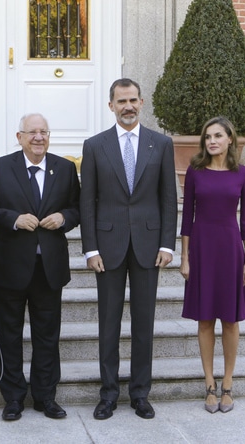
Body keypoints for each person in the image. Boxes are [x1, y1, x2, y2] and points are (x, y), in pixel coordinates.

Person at [79, 78, 178, 420]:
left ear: (142, 101)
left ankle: (140, 394)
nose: (128, 106)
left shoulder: (160, 144)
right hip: (107, 248)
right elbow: (87, 201)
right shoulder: (94, 146)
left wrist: (168, 243)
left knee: (143, 324)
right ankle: (108, 394)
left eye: (133, 99)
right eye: (121, 101)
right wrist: (90, 248)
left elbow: (168, 198)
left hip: (149, 247)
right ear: (111, 106)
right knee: (108, 324)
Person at [0, 113, 81, 422]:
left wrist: (64, 218)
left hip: (48, 268)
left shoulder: (64, 168)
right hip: (10, 266)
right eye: (32, 132)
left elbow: (78, 208)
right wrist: (13, 219)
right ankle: (12, 397)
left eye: (44, 132)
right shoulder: (1, 167)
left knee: (47, 336)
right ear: (19, 136)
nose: (39, 137)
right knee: (9, 335)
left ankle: (45, 396)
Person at [179, 116, 245, 414]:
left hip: (230, 248)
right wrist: (184, 257)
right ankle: (209, 385)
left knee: (231, 320)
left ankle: (228, 384)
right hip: (201, 247)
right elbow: (186, 219)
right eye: (207, 136)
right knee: (205, 319)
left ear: (230, 140)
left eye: (218, 136)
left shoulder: (243, 174)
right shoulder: (195, 172)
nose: (212, 141)